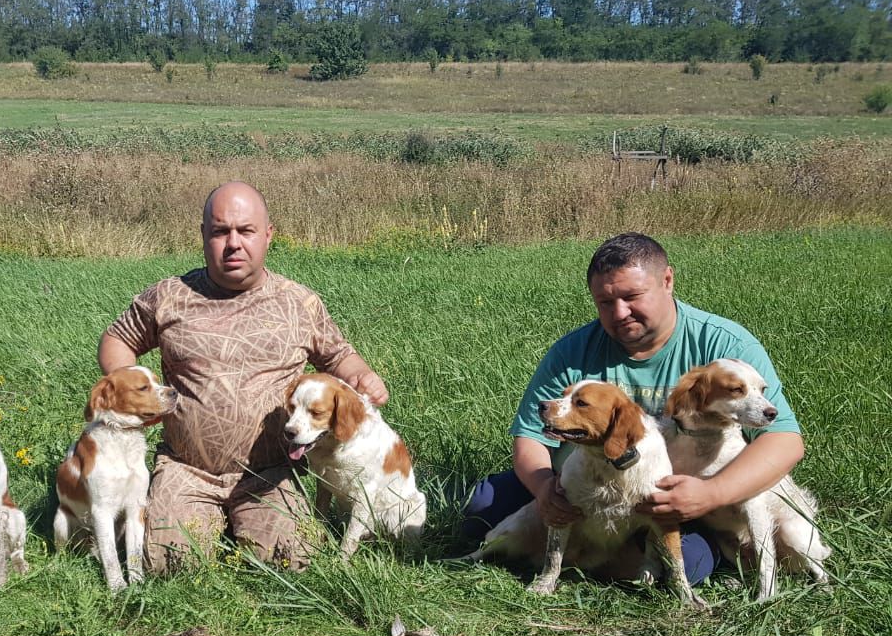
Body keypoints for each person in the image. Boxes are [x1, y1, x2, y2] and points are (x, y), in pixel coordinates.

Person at [464, 232, 804, 583]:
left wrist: (710, 495)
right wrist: (544, 489)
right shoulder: (573, 352)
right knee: (481, 511)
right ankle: (592, 555)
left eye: (631, 296)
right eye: (605, 302)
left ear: (667, 280)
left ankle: (658, 553)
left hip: (671, 500)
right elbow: (531, 437)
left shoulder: (723, 344)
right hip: (585, 485)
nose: (620, 312)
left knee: (688, 562)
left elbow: (784, 441)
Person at [98, 181, 388, 572]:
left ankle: (246, 523)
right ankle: (204, 521)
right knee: (168, 564)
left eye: (246, 231)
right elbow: (118, 339)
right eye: (220, 231)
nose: (233, 243)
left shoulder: (298, 303)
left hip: (271, 473)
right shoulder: (168, 297)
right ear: (204, 235)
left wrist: (364, 375)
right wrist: (128, 393)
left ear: (268, 235)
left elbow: (339, 356)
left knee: (294, 562)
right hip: (188, 469)